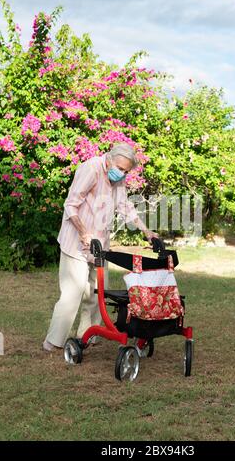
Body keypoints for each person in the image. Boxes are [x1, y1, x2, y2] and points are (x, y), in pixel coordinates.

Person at [43, 142, 158, 351]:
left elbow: (125, 206)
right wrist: (82, 231)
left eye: (125, 171)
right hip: (76, 241)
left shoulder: (118, 179)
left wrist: (146, 231)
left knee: (97, 293)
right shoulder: (91, 168)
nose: (122, 174)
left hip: (100, 244)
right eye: (120, 168)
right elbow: (71, 204)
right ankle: (53, 342)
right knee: (73, 293)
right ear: (110, 159)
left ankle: (88, 336)